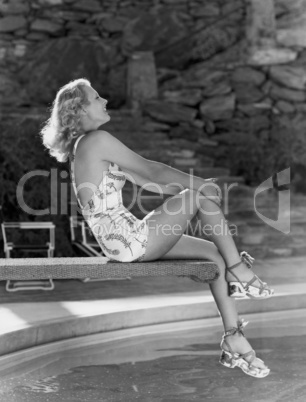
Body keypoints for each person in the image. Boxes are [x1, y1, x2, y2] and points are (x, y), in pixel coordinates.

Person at [41, 78, 274, 378]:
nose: (105, 101)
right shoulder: (96, 141)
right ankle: (240, 271)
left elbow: (151, 182)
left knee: (212, 254)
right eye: (97, 97)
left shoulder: (86, 147)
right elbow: (152, 169)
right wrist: (199, 187)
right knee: (194, 197)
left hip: (125, 238)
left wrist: (194, 194)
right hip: (128, 240)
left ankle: (234, 337)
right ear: (81, 110)